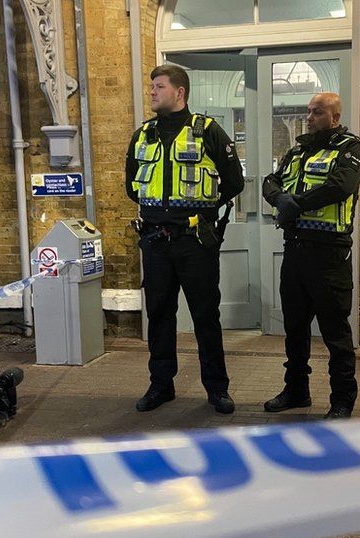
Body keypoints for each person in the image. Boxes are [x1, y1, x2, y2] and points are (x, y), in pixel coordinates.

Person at [125, 64, 244, 414]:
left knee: (205, 316)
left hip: (194, 241)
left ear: (179, 92)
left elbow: (234, 181)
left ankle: (217, 389)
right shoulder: (143, 134)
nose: (152, 92)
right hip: (154, 241)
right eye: (151, 87)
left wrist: (204, 207)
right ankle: (161, 386)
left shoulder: (207, 131)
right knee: (160, 316)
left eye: (158, 86)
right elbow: (131, 184)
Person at [262, 92, 360, 419]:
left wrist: (296, 204)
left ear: (334, 117)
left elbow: (341, 186)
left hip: (329, 255)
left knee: (336, 334)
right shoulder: (297, 151)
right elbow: (269, 182)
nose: (309, 118)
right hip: (295, 252)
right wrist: (280, 199)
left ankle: (342, 400)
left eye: (317, 112)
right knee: (294, 330)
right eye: (308, 112)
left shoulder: (350, 148)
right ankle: (296, 390)